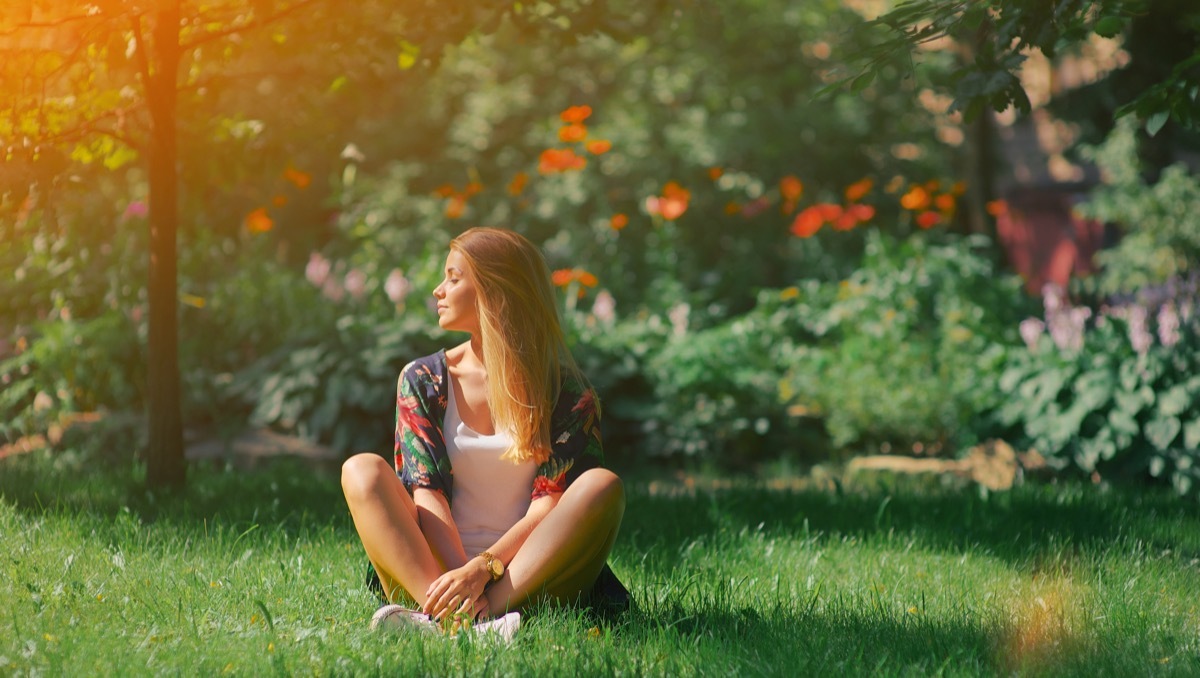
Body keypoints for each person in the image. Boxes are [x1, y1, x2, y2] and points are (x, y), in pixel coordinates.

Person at [341, 227, 627, 635]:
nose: (439, 290)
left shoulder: (566, 390)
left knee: (602, 485)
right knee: (361, 469)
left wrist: (484, 569)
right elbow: (427, 494)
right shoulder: (423, 378)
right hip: (434, 574)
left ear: (497, 290)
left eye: (454, 278)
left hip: (527, 573)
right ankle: (454, 620)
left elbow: (549, 506)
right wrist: (459, 580)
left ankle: (471, 622)